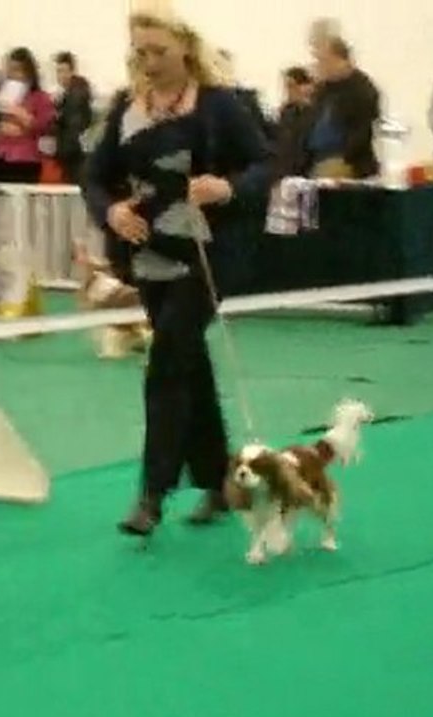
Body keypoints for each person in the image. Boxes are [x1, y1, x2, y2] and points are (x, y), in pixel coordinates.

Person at [82, 11, 273, 536]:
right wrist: (111, 212)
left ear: (185, 48)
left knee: (167, 358)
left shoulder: (219, 105)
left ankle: (152, 492)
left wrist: (226, 188)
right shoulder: (126, 110)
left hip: (208, 254)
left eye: (159, 51)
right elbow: (94, 178)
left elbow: (265, 165)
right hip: (150, 257)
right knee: (189, 363)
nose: (150, 62)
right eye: (141, 52)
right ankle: (219, 481)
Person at [308, 36, 380, 179]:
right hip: (315, 157)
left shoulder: (361, 89)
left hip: (345, 160)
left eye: (323, 61)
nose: (319, 66)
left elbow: (362, 132)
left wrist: (345, 156)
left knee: (328, 172)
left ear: (339, 60)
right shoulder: (322, 90)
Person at [0, 47, 55, 183]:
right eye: (10, 70)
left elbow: (44, 127)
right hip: (0, 155)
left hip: (25, 158)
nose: (13, 75)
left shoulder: (40, 97)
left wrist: (23, 115)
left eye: (17, 70)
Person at [52, 51, 94, 184]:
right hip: (74, 151)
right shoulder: (69, 94)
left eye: (64, 71)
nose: (61, 76)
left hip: (73, 153)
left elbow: (74, 127)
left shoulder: (75, 96)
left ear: (72, 71)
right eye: (58, 71)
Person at [273, 66, 315, 178]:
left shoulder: (315, 109)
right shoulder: (287, 111)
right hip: (287, 165)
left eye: (292, 86)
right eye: (287, 87)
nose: (289, 91)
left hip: (307, 163)